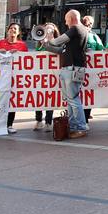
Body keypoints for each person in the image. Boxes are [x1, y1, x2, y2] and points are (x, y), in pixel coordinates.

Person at [46, 11, 91, 139]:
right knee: (70, 100)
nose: (65, 23)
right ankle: (73, 126)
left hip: (72, 69)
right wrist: (46, 45)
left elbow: (57, 42)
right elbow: (62, 50)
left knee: (73, 100)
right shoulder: (79, 31)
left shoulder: (75, 28)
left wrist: (49, 35)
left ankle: (81, 128)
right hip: (72, 68)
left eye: (66, 20)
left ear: (71, 19)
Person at [0, 25, 28, 132]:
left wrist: (19, 54)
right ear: (7, 31)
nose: (12, 30)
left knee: (12, 101)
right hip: (0, 77)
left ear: (18, 33)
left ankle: (9, 125)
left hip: (15, 76)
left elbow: (28, 60)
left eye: (15, 29)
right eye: (11, 28)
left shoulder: (22, 45)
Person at [33, 23, 59, 131]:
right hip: (40, 75)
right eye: (46, 30)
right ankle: (39, 120)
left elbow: (58, 52)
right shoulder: (39, 43)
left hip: (52, 75)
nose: (48, 32)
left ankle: (48, 122)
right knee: (39, 98)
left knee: (50, 98)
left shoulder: (58, 42)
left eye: (51, 31)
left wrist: (47, 44)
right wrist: (43, 43)